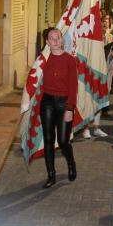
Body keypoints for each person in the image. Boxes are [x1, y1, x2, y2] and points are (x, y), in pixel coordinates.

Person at [40, 28, 78, 188]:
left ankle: (71, 163)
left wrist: (70, 108)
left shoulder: (70, 60)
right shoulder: (42, 60)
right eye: (51, 38)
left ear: (62, 40)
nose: (55, 41)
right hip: (47, 102)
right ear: (47, 42)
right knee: (48, 140)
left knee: (63, 141)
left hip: (64, 103)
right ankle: (51, 175)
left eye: (58, 37)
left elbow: (73, 86)